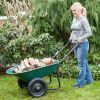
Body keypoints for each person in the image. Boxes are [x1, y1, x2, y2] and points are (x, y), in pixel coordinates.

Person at [69, 2, 93, 88]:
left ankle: (79, 84)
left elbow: (89, 33)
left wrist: (80, 38)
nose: (73, 12)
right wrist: (71, 38)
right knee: (84, 62)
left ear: (79, 9)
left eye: (74, 10)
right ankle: (89, 80)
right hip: (75, 44)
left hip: (83, 44)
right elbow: (73, 30)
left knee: (81, 64)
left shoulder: (83, 20)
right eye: (72, 11)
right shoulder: (75, 18)